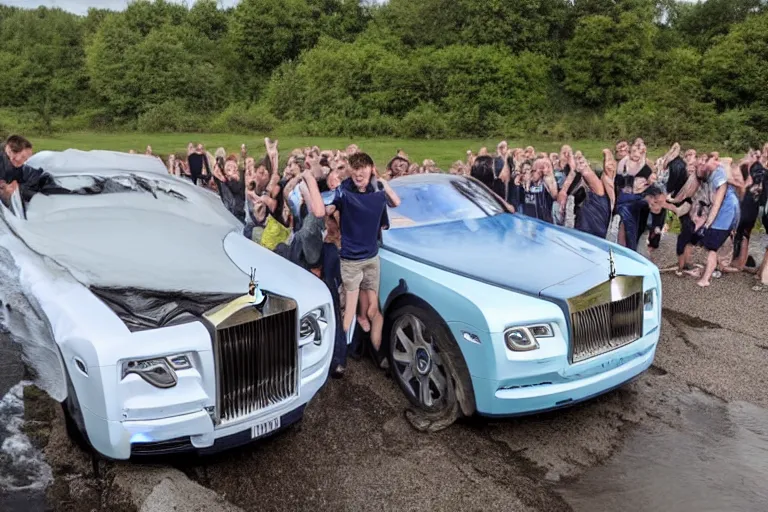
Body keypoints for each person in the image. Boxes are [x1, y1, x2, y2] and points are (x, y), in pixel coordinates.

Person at [325, 152, 401, 365]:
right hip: (351, 262)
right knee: (349, 313)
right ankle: (338, 359)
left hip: (371, 259)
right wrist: (326, 208)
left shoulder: (376, 195)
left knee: (372, 310)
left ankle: (381, 355)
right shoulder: (344, 191)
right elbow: (329, 206)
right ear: (351, 170)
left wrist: (383, 181)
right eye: (355, 169)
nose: (359, 173)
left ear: (371, 169)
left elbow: (395, 202)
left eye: (363, 168)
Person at [696, 155, 741, 287]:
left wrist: (708, 223)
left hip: (725, 214)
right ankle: (714, 269)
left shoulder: (719, 174)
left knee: (712, 248)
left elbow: (717, 203)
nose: (702, 165)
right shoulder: (715, 173)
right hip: (729, 213)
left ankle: (705, 279)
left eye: (705, 161)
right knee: (713, 246)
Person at [0, 135, 65, 207]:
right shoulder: (6, 162)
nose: (24, 161)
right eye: (23, 157)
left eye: (27, 159)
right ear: (11, 152)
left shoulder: (20, 166)